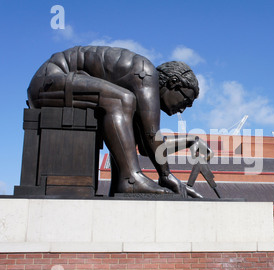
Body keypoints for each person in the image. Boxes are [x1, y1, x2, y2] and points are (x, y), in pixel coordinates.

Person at [27, 46, 210, 197]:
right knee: (121, 100)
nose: (182, 109)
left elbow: (147, 148)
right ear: (174, 83)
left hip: (58, 84)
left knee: (123, 117)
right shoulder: (146, 73)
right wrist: (166, 174)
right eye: (185, 101)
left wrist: (189, 141)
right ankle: (130, 179)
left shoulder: (139, 86)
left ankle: (123, 182)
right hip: (48, 82)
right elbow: (152, 135)